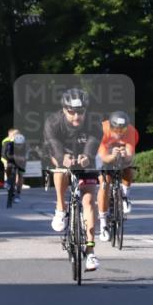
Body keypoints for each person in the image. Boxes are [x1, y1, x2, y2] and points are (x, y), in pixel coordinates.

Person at [43, 88, 101, 271]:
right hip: (62, 155)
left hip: (84, 159)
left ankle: (90, 251)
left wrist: (87, 156)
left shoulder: (94, 122)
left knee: (89, 201)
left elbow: (93, 142)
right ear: (64, 110)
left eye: (81, 112)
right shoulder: (53, 122)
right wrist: (62, 158)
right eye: (72, 112)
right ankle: (60, 208)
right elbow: (53, 144)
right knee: (60, 170)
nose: (77, 116)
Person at [97, 110, 139, 242]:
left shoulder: (131, 131)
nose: (120, 133)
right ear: (111, 127)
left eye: (123, 130)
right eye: (116, 130)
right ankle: (103, 224)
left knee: (128, 167)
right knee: (104, 183)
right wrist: (113, 155)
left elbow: (130, 156)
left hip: (121, 150)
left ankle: (125, 195)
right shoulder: (102, 131)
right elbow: (104, 158)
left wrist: (124, 155)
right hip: (104, 152)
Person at [1, 129, 26, 202]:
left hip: (20, 159)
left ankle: (18, 193)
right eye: (14, 135)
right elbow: (4, 154)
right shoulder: (7, 141)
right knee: (8, 168)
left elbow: (25, 151)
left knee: (20, 174)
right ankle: (7, 182)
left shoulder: (23, 141)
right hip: (9, 158)